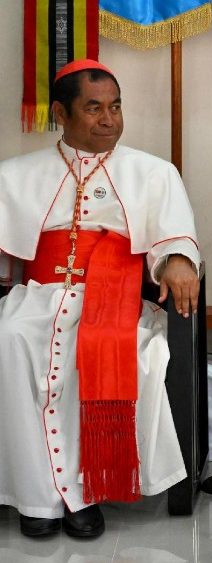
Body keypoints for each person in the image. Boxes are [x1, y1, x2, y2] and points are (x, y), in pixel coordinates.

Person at [0, 59, 200, 539]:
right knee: (10, 338)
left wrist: (177, 258)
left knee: (119, 351)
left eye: (115, 107)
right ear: (61, 114)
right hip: (39, 295)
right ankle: (37, 497)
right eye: (93, 109)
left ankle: (83, 494)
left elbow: (175, 238)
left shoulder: (155, 173)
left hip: (117, 298)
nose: (108, 119)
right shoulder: (14, 175)